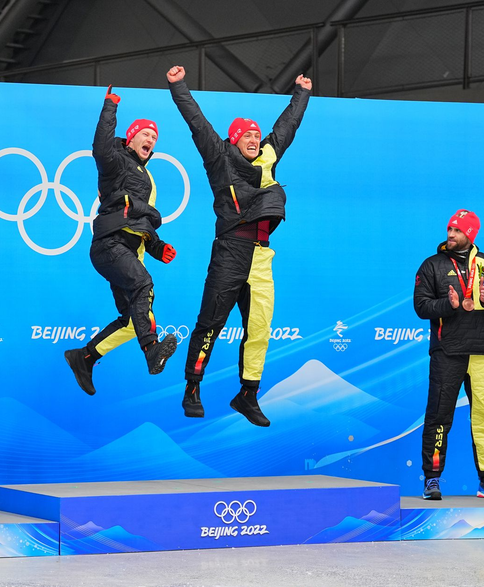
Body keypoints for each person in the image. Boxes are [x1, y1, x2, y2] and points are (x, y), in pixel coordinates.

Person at [166, 65, 311, 427]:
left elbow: (287, 127)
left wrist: (301, 93)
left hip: (261, 256)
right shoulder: (220, 158)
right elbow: (197, 123)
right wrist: (178, 86)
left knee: (260, 328)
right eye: (247, 134)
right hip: (231, 250)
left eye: (256, 134)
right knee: (211, 323)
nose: (254, 138)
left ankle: (247, 394)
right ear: (234, 140)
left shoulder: (268, 158)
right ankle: (193, 386)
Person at [64, 85, 178, 396]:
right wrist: (110, 107)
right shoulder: (115, 163)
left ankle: (84, 357)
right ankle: (151, 350)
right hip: (109, 244)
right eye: (145, 134)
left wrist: (157, 247)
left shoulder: (148, 178)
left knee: (132, 319)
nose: (151, 140)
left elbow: (142, 225)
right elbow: (100, 148)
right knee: (143, 285)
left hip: (128, 249)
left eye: (154, 138)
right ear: (131, 138)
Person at [414, 210, 484, 500]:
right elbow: (421, 307)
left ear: (470, 234)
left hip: (483, 351)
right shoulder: (432, 265)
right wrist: (448, 304)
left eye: (457, 230)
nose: (450, 234)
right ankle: (432, 479)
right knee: (439, 416)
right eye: (449, 229)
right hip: (448, 352)